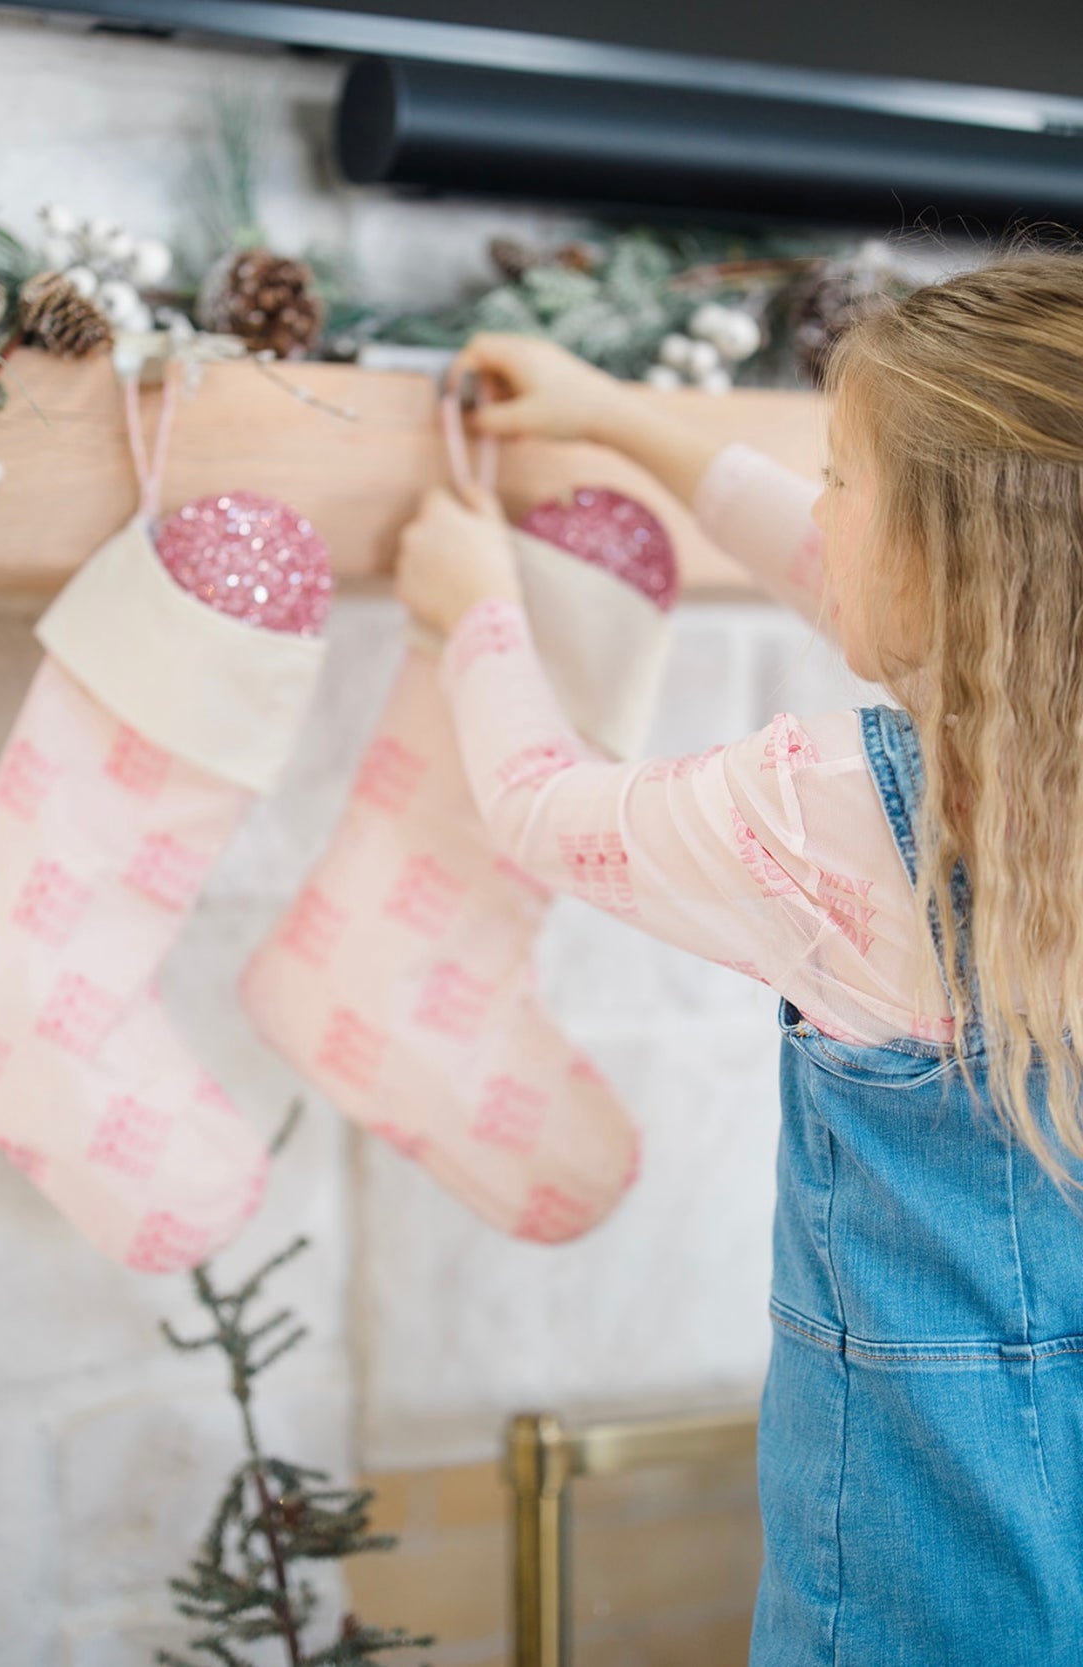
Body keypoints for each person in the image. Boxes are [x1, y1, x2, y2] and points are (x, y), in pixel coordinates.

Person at [394, 252, 1083, 1665]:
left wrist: (475, 609)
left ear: (943, 556)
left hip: (905, 1589)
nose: (820, 512)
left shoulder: (833, 819)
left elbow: (541, 810)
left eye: (839, 475)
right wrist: (619, 415)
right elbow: (871, 574)